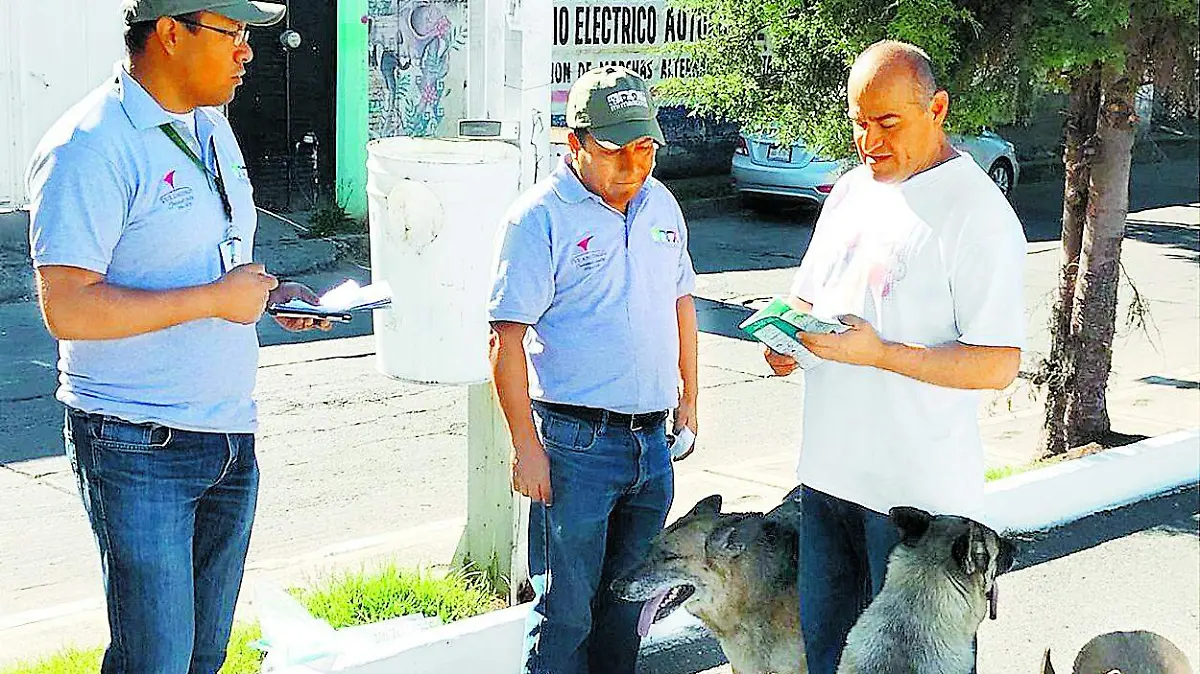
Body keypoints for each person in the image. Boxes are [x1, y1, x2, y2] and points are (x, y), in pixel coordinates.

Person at [25, 1, 328, 671]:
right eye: (233, 34)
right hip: (136, 439)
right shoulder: (90, 144)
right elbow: (68, 309)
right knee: (154, 661)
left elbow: (202, 261)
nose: (248, 52)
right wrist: (214, 301)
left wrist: (268, 294)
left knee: (202, 657)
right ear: (169, 33)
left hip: (226, 430)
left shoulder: (209, 128)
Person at [763, 40, 1026, 674]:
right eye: (859, 122)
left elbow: (997, 363)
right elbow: (806, 293)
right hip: (828, 479)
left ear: (936, 108)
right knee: (828, 658)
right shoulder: (852, 189)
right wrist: (786, 336)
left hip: (920, 511)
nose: (870, 140)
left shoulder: (978, 212)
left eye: (888, 123)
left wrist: (879, 354)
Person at [488, 65, 700, 674]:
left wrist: (689, 398)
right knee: (565, 612)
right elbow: (505, 338)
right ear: (574, 144)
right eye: (616, 152)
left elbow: (681, 300)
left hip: (651, 443)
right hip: (575, 447)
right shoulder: (538, 219)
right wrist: (525, 447)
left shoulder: (661, 203)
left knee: (630, 609)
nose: (634, 167)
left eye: (645, 148)